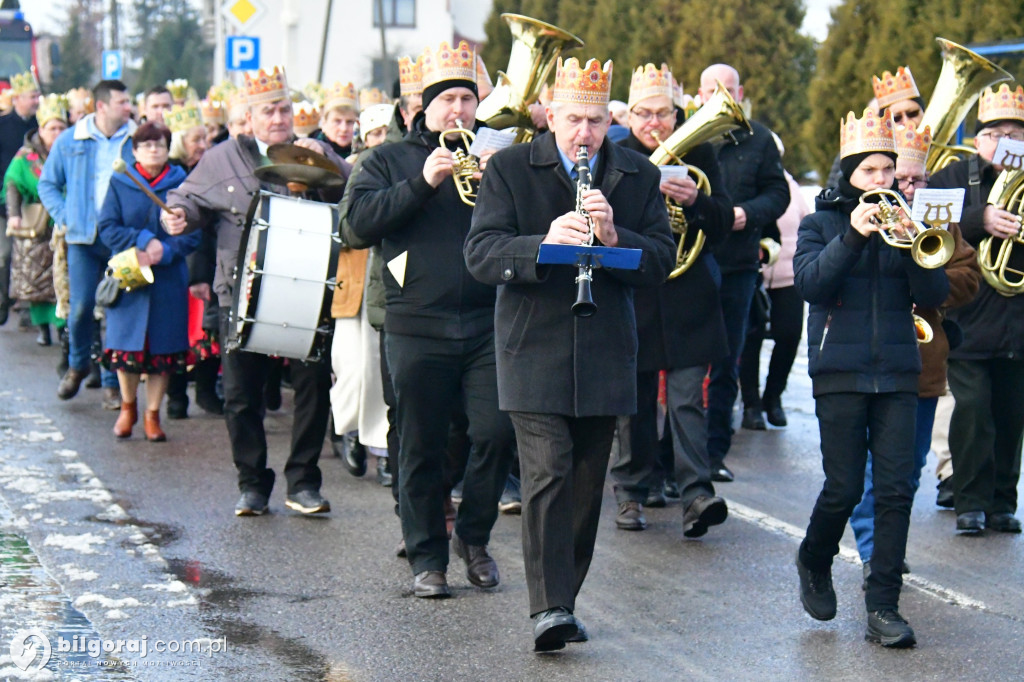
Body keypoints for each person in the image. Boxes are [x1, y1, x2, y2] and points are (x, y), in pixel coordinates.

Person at [465, 56, 675, 651]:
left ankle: (565, 598)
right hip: (532, 346)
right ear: (550, 114)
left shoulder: (637, 175)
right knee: (548, 472)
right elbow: (481, 254)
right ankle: (549, 607)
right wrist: (542, 245)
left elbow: (660, 260)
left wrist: (614, 237)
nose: (583, 133)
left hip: (607, 348)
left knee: (586, 486)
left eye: (593, 121)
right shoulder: (510, 168)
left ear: (608, 120)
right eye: (572, 119)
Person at [345, 40, 516, 600]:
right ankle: (427, 557)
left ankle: (473, 537)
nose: (458, 111)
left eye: (467, 99)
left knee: (494, 433)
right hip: (416, 322)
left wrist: (504, 182)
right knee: (419, 442)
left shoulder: (496, 161)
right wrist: (423, 182)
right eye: (447, 101)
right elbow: (357, 226)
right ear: (421, 107)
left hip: (488, 321)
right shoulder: (388, 160)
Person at [160, 66, 350, 516]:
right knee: (242, 394)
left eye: (284, 108)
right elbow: (189, 198)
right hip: (239, 290)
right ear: (249, 116)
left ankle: (303, 482)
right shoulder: (223, 157)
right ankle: (252, 483)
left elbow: (355, 190)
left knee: (312, 388)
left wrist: (326, 155)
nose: (279, 117)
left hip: (307, 291)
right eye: (269, 110)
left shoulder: (314, 151)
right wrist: (176, 215)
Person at [793, 108, 949, 648]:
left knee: (895, 492)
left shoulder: (910, 226)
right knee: (843, 487)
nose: (881, 181)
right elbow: (812, 285)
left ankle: (882, 606)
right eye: (869, 172)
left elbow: (933, 298)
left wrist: (914, 248)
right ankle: (814, 556)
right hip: (839, 369)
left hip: (900, 372)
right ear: (849, 176)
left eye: (888, 170)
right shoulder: (820, 224)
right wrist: (856, 237)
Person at [849, 123, 980, 580]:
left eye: (915, 179)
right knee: (869, 463)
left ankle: (887, 546)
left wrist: (932, 286)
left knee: (908, 465)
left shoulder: (941, 219)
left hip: (922, 360)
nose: (905, 187)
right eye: (897, 178)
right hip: (866, 357)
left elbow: (968, 276)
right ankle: (873, 553)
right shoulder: (856, 214)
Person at [607, 63, 733, 536]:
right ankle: (632, 492)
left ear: (678, 114)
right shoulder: (615, 152)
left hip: (687, 296)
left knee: (686, 400)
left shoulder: (700, 152)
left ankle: (696, 493)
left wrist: (697, 201)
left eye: (663, 113)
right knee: (634, 402)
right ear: (630, 115)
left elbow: (724, 222)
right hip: (635, 292)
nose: (654, 123)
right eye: (644, 113)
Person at [928, 84, 1024, 534]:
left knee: (1011, 413)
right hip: (967, 317)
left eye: (1017, 133)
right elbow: (928, 226)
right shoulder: (951, 177)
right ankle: (969, 500)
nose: (1008, 142)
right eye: (997, 133)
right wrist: (979, 220)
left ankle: (1004, 501)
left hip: (1017, 320)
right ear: (979, 139)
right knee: (970, 410)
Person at [698, 64, 789, 483]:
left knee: (726, 360)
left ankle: (714, 451)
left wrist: (746, 214)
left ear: (741, 92)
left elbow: (778, 194)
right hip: (689, 261)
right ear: (698, 94)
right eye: (712, 90)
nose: (720, 97)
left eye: (728, 90)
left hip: (736, 265)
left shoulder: (760, 138)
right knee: (681, 363)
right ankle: (669, 457)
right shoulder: (686, 132)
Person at [97, 122, 199, 441]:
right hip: (130, 276)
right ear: (135, 151)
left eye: (159, 144)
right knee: (127, 350)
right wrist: (143, 241)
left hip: (168, 279)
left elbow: (194, 233)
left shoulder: (182, 184)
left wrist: (164, 251)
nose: (153, 149)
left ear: (169, 148)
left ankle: (153, 414)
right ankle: (128, 408)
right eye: (146, 145)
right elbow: (108, 227)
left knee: (161, 353)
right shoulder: (120, 181)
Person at [39, 79, 135, 410]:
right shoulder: (71, 140)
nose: (128, 107)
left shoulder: (135, 139)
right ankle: (79, 364)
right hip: (83, 238)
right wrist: (65, 216)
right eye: (122, 101)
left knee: (116, 310)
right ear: (101, 106)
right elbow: (48, 184)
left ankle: (111, 382)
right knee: (80, 308)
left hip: (121, 238)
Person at [739, 132, 810, 429]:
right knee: (750, 341)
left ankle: (774, 396)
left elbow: (807, 224)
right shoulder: (749, 184)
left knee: (789, 336)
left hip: (789, 278)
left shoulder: (792, 187)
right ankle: (751, 404)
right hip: (756, 276)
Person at [4, 93, 65, 350]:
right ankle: (42, 327)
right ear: (41, 129)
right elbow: (13, 184)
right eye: (52, 128)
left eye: (62, 127)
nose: (58, 132)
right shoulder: (25, 156)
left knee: (62, 278)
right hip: (36, 224)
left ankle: (63, 329)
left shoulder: (71, 151)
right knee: (37, 280)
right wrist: (14, 214)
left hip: (62, 223)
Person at [0, 68, 40, 327]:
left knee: (34, 254)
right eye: (32, 96)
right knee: (5, 255)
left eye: (38, 95)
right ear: (17, 99)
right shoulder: (2, 125)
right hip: (3, 200)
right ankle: (3, 299)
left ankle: (28, 305)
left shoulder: (42, 126)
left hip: (35, 202)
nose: (37, 100)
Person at [313, 82, 358, 158]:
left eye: (350, 122)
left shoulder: (366, 155)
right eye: (337, 121)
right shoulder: (313, 151)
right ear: (324, 124)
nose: (344, 129)